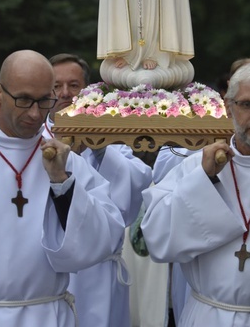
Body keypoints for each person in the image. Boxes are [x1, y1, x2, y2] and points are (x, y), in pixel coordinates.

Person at [142, 60, 250, 326]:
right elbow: (157, 240)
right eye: (247, 104)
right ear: (228, 105)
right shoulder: (195, 167)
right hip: (209, 315)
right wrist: (204, 180)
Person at [0, 50, 125, 326]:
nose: (34, 113)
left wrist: (62, 183)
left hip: (47, 313)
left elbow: (107, 237)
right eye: (24, 100)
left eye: (44, 101)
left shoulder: (67, 160)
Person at [44, 52, 153, 327]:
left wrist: (99, 146)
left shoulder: (110, 136)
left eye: (74, 85)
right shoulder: (35, 142)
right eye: (56, 86)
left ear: (87, 90)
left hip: (102, 273)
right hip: (53, 271)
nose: (65, 93)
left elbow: (137, 185)